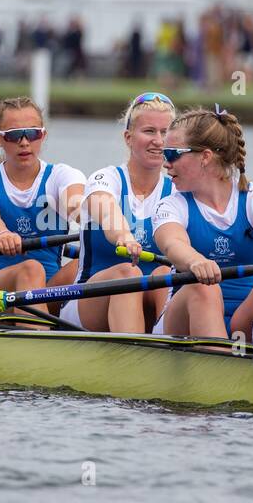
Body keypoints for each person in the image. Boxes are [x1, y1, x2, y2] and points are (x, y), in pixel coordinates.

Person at [152, 106, 253, 341]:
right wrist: (195, 261)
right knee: (204, 288)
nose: (165, 164)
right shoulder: (172, 205)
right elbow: (172, 243)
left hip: (243, 322)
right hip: (185, 322)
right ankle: (220, 366)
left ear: (205, 156)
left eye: (172, 154)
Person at [62, 92, 175, 332]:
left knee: (165, 273)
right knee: (128, 272)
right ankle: (135, 357)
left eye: (165, 132)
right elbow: (107, 212)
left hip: (147, 302)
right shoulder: (105, 179)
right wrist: (124, 236)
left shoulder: (177, 191)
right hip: (89, 302)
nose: (158, 140)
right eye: (149, 131)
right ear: (128, 137)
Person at [0, 96, 85, 307]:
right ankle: (37, 332)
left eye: (33, 133)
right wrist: (2, 234)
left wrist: (108, 227)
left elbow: (78, 206)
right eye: (14, 135)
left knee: (84, 265)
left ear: (43, 135)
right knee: (31, 268)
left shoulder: (62, 175)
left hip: (48, 290)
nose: (25, 142)